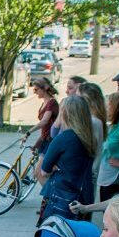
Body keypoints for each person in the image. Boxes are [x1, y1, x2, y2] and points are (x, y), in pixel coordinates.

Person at [36, 96, 97, 224]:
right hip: (84, 195)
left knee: (56, 236)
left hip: (61, 197)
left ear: (65, 114)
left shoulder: (63, 138)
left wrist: (55, 167)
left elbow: (44, 172)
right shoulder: (89, 138)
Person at [23, 78, 59, 154]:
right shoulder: (44, 103)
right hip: (45, 139)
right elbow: (45, 129)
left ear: (44, 88)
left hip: (51, 140)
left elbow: (44, 121)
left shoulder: (51, 102)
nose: (34, 92)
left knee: (41, 166)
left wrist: (28, 132)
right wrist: (38, 143)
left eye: (36, 89)